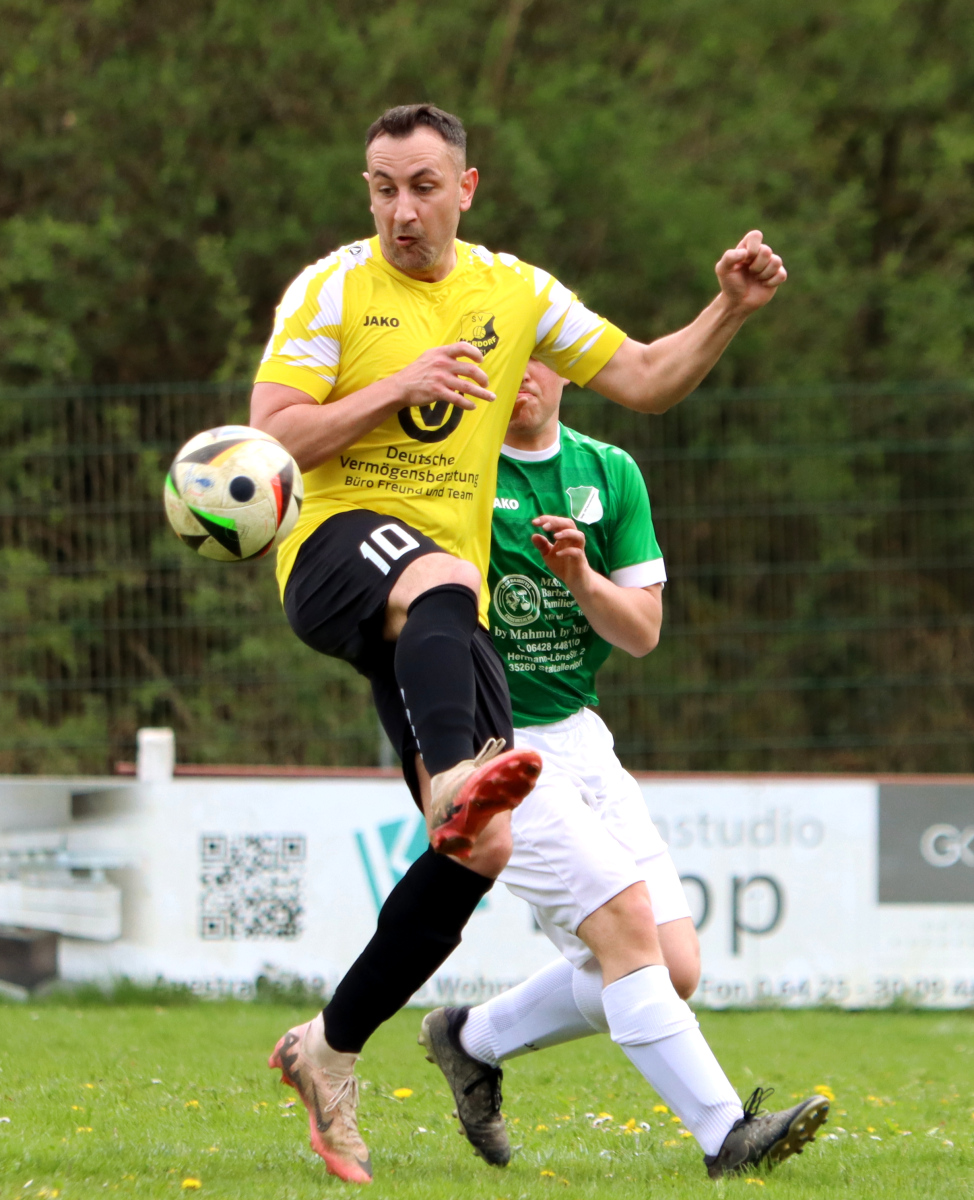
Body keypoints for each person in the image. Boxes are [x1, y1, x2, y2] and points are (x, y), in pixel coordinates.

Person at [251, 102, 788, 1183]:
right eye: (382, 188)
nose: (400, 210)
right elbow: (269, 436)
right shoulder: (333, 288)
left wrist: (727, 310)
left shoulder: (515, 291)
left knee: (478, 851)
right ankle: (460, 775)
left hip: (441, 619)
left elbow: (646, 377)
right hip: (333, 549)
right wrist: (396, 387)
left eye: (421, 187)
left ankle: (331, 1045)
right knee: (444, 581)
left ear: (465, 188)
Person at [418, 358, 829, 1180]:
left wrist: (579, 576)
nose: (523, 372)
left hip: (580, 737)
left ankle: (470, 1040)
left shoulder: (609, 472)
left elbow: (642, 632)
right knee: (626, 931)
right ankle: (726, 1134)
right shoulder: (454, 471)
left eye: (541, 352)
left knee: (672, 968)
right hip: (495, 745)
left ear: (569, 369)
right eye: (508, 351)